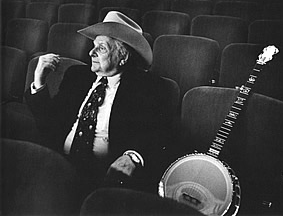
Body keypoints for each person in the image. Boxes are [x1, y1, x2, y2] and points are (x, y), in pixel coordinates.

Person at [25, 11, 173, 197]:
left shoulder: (147, 87)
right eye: (93, 46)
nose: (90, 52)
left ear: (123, 56)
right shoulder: (76, 75)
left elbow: (158, 134)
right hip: (58, 161)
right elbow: (49, 121)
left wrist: (132, 157)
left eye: (101, 48)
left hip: (103, 175)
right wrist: (39, 82)